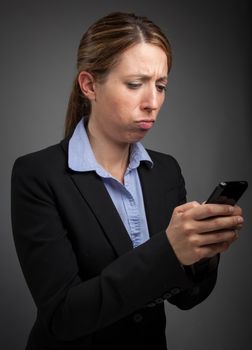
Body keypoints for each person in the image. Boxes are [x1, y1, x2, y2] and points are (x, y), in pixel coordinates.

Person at [11, 12, 244, 350]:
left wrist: (203, 250)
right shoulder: (38, 174)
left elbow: (187, 298)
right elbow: (63, 316)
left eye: (160, 86)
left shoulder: (165, 170)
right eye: (135, 84)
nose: (152, 103)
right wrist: (169, 249)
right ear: (89, 85)